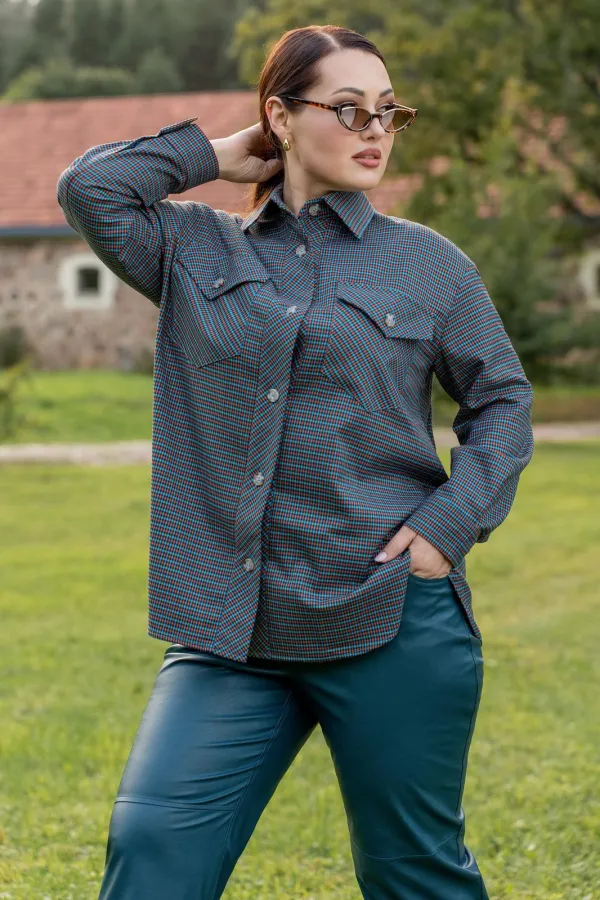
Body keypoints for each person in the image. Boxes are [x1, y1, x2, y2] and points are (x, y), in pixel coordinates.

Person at [57, 23, 534, 900]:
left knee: (412, 875)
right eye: (348, 109)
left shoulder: (430, 266)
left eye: (389, 112)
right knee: (153, 844)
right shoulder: (194, 248)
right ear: (280, 115)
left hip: (389, 614)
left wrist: (448, 523)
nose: (375, 130)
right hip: (231, 631)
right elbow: (92, 189)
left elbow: (503, 401)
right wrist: (217, 154)